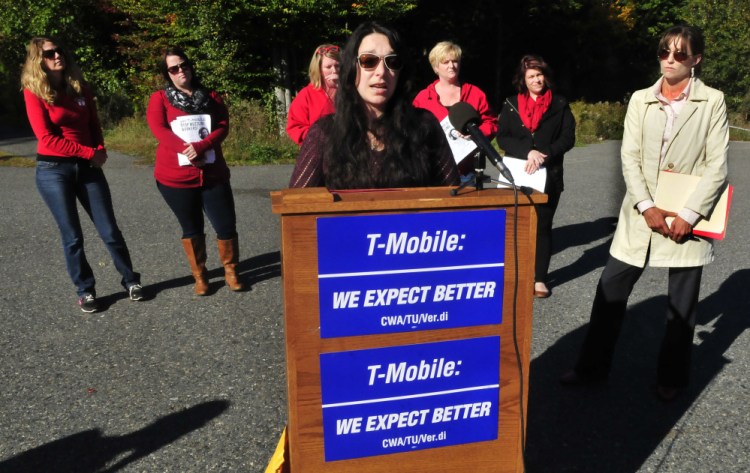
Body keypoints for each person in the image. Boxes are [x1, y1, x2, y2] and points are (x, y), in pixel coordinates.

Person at [560, 25, 729, 402]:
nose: (669, 60)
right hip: (641, 212)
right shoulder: (640, 99)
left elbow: (717, 165)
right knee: (610, 291)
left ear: (696, 60)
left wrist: (689, 213)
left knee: (681, 306)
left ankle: (672, 377)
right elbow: (629, 156)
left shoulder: (713, 101)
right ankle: (591, 367)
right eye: (664, 52)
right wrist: (646, 205)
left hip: (689, 217)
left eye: (679, 54)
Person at [21, 37, 144, 313]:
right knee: (72, 236)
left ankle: (131, 280)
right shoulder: (34, 93)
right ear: (38, 61)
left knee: (109, 230)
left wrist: (100, 148)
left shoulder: (80, 88)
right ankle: (85, 290)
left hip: (88, 169)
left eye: (59, 50)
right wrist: (89, 153)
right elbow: (47, 139)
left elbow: (94, 125)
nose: (57, 56)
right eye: (50, 53)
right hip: (54, 171)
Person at [289, 22, 459, 189]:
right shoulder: (324, 133)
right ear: (352, 68)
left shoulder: (424, 126)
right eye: (369, 60)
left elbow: (454, 199)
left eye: (392, 62)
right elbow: (296, 207)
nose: (381, 72)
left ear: (400, 72)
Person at [147, 46, 244, 295]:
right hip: (176, 177)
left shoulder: (210, 95)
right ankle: (200, 276)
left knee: (226, 225)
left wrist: (202, 146)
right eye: (174, 68)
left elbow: (223, 125)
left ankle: (231, 271)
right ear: (167, 73)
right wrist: (186, 150)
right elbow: (159, 130)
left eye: (184, 65)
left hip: (213, 173)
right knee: (191, 228)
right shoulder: (159, 99)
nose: (181, 71)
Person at [496, 54, 575, 298]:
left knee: (542, 227)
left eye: (539, 75)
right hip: (517, 174)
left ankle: (539, 278)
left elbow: (567, 138)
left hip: (548, 174)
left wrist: (544, 153)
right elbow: (503, 137)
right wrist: (527, 151)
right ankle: (514, 276)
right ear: (523, 79)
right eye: (531, 76)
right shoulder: (510, 104)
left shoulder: (559, 104)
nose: (537, 80)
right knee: (515, 226)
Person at [413, 41, 497, 176]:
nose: (451, 66)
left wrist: (476, 133)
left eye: (455, 61)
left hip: (468, 171)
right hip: (434, 172)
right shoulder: (422, 98)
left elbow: (491, 123)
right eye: (445, 62)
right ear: (436, 67)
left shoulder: (475, 94)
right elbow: (413, 132)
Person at [285, 44, 340, 145]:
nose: (334, 71)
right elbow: (295, 127)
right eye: (328, 67)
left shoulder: (352, 92)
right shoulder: (306, 95)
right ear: (319, 69)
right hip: (319, 153)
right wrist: (320, 138)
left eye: (337, 66)